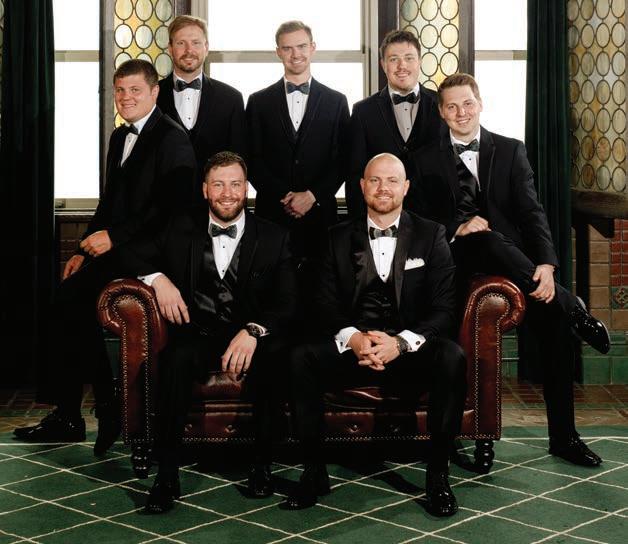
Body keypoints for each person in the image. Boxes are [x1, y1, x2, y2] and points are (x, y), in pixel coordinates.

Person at [412, 72, 609, 467]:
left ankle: (565, 438)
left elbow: (532, 213)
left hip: (514, 265)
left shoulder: (510, 149)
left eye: (468, 103)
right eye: (452, 106)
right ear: (441, 113)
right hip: (457, 263)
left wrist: (547, 265)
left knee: (555, 326)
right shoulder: (423, 158)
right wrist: (458, 227)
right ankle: (575, 308)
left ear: (480, 104)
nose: (461, 112)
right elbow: (418, 218)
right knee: (483, 239)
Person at [13, 59, 196, 456]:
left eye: (135, 90)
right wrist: (83, 250)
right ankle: (85, 411)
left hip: (149, 251)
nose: (126, 97)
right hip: (118, 249)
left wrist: (114, 238)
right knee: (67, 305)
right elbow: (109, 203)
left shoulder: (173, 139)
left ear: (154, 92)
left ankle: (91, 410)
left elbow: (169, 209)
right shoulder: (119, 136)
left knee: (67, 303)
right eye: (120, 90)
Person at [286, 153, 466, 517]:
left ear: (406, 187)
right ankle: (314, 471)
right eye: (375, 180)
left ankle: (437, 476)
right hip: (355, 349)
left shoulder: (431, 234)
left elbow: (445, 308)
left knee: (451, 356)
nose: (383, 188)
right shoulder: (336, 236)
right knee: (299, 357)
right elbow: (323, 303)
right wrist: (354, 339)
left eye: (392, 180)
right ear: (362, 186)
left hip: (407, 350)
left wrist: (400, 343)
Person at [121, 151, 297, 513]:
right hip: (198, 333)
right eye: (218, 185)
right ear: (205, 190)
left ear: (246, 189)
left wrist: (253, 331)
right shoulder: (178, 227)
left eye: (235, 184)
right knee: (175, 359)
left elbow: (289, 303)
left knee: (274, 358)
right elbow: (128, 252)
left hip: (250, 336)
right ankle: (166, 475)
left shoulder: (275, 236)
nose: (227, 193)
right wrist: (158, 279)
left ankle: (261, 466)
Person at [246, 20, 350, 262]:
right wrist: (286, 198)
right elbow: (251, 159)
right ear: (278, 52)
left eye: (301, 46)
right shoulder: (258, 102)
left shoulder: (337, 101)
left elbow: (343, 159)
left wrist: (312, 196)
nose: (296, 54)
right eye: (287, 48)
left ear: (313, 47)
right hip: (271, 217)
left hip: (321, 218)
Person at [346, 30, 444, 217]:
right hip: (381, 217)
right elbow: (354, 176)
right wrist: (358, 225)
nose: (402, 66)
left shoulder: (443, 105)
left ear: (419, 61)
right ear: (383, 65)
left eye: (409, 58)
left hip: (436, 218)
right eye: (393, 59)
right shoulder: (362, 111)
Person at [158, 15, 246, 185]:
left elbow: (239, 159)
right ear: (170, 48)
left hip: (215, 198)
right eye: (181, 43)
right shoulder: (151, 96)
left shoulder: (231, 98)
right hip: (163, 198)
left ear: (206, 47)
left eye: (196, 43)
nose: (189, 50)